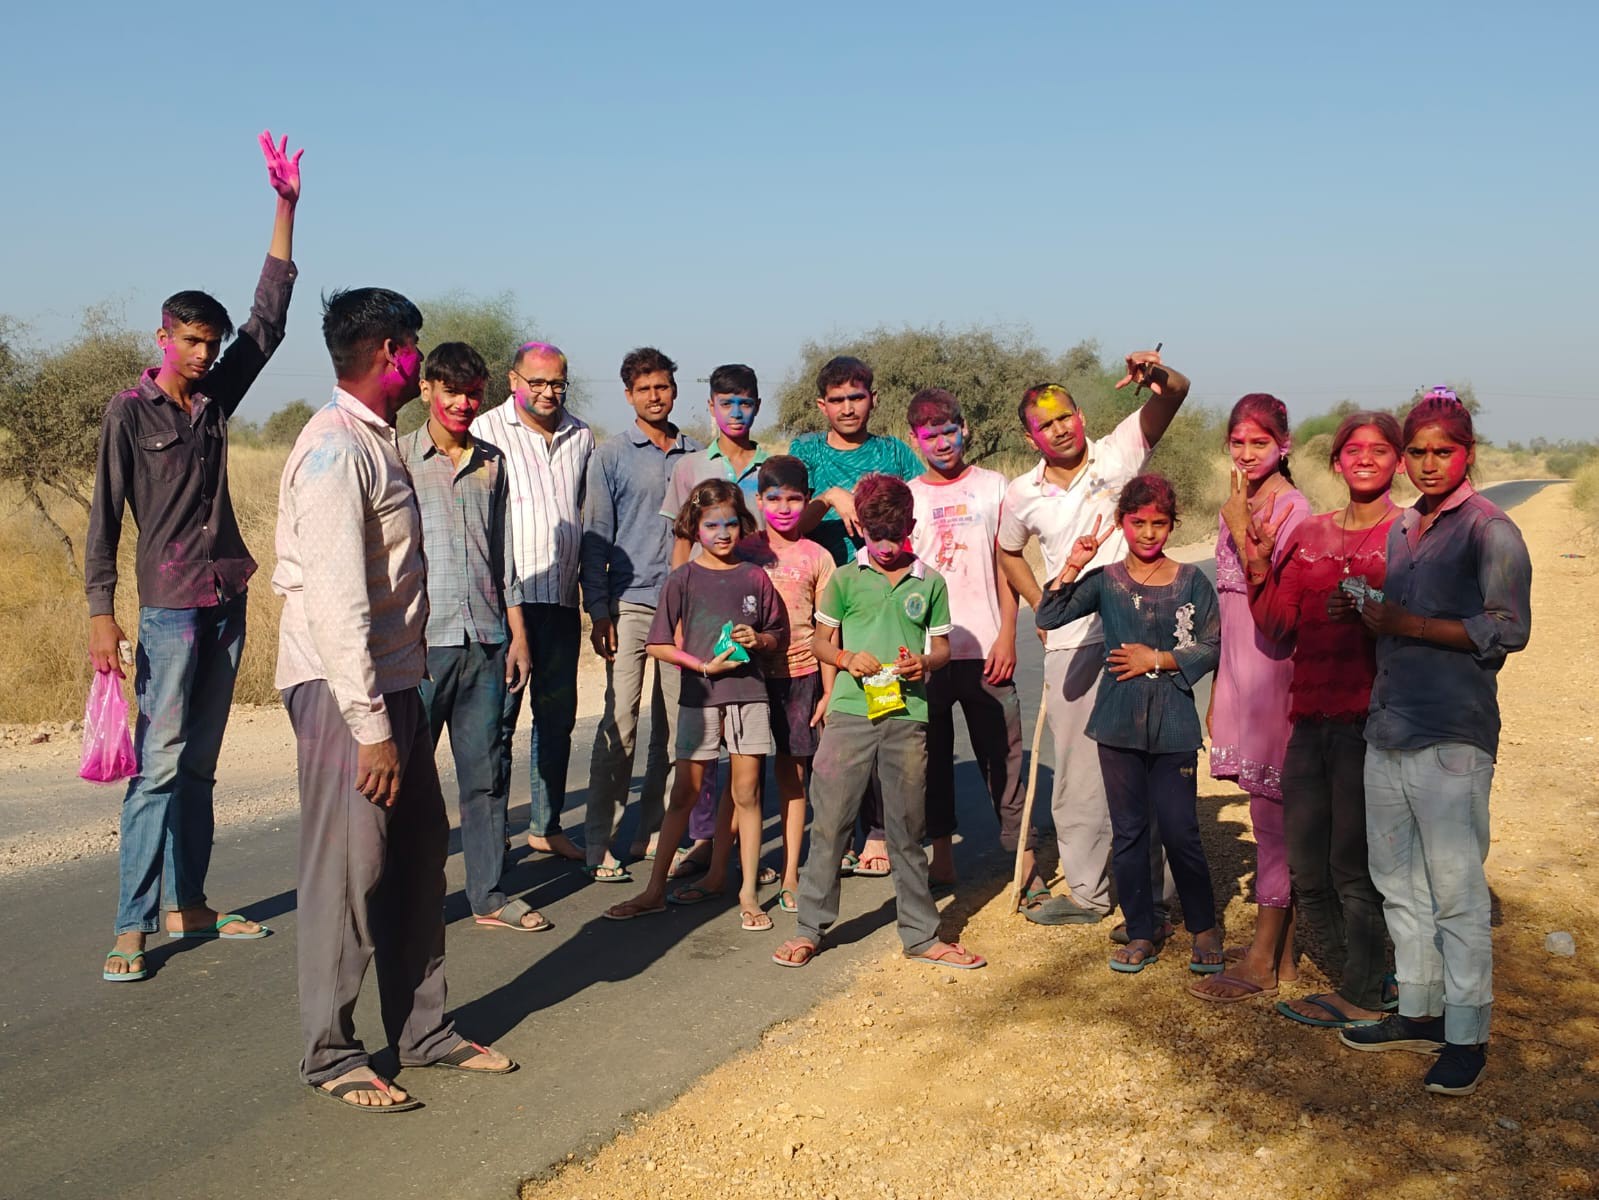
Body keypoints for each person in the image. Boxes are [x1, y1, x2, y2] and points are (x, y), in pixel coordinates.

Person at [275, 287, 514, 1112]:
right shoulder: (335, 450)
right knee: (349, 872)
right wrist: (370, 727)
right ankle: (331, 1053)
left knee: (415, 863)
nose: (420, 361)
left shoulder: (376, 444)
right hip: (352, 696)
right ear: (387, 352)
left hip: (398, 683)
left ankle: (423, 1031)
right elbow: (337, 601)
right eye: (412, 347)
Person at [91, 131, 301, 983]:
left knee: (202, 765)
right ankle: (133, 923)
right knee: (160, 765)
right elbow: (104, 519)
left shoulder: (216, 400)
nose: (204, 353)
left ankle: (194, 903)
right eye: (190, 340)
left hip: (226, 596)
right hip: (168, 606)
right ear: (162, 337)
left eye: (210, 342)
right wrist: (102, 617)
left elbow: (271, 320)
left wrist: (284, 208)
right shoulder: (127, 414)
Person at [1339, 389, 1531, 1097]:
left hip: (1450, 735)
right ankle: (1418, 1009)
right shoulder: (1402, 530)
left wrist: (1406, 623)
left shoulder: (1490, 531)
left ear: (1467, 453)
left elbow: (1507, 629)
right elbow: (1397, 619)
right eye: (1415, 451)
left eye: (1440, 451)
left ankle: (1465, 1032)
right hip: (1388, 726)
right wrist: (1366, 614)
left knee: (1454, 891)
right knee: (1397, 883)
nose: (1425, 463)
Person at [997, 349, 1189, 930]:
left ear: (1080, 415)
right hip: (1073, 642)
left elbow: (1176, 393)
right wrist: (1041, 605)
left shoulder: (1120, 450)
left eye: (1064, 417)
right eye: (1044, 424)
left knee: (1146, 759)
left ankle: (1155, 895)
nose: (1058, 430)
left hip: (1142, 630)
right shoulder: (1021, 493)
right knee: (1080, 772)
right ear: (1031, 436)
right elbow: (1008, 551)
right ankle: (1087, 891)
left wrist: (1157, 374)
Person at [773, 474, 985, 971]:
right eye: (875, 536)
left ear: (911, 526)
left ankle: (921, 935)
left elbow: (942, 649)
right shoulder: (845, 579)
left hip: (907, 717)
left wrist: (925, 665)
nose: (887, 547)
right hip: (849, 713)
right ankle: (810, 928)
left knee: (906, 829)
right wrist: (846, 659)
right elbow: (820, 643)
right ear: (859, 528)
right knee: (829, 824)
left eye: (896, 536)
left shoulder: (929, 582)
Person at [1245, 412, 1403, 1027]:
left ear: (1396, 461)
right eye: (1353, 450)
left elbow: (1422, 623)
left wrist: (1374, 609)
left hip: (1373, 721)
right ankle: (1365, 973)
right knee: (1308, 867)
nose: (1364, 459)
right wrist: (1259, 563)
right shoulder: (1308, 532)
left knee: (1353, 866)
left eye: (1379, 450)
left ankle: (1365, 992)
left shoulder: (1408, 534)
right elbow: (1278, 627)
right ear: (1335, 461)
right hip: (1308, 718)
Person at [1034, 475, 1224, 974]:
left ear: (1172, 525)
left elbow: (1211, 644)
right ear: (1122, 523)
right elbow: (1050, 615)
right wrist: (1073, 563)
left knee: (1181, 831)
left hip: (1175, 726)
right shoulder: (1106, 580)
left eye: (1159, 523)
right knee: (1130, 832)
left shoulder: (1190, 581)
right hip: (1117, 725)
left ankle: (1205, 926)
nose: (1148, 533)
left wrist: (1157, 658)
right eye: (1137, 523)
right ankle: (1142, 929)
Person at [400, 342, 544, 932]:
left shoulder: (493, 462)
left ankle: (488, 894)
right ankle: (405, 898)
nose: (462, 402)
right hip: (420, 644)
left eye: (472, 391)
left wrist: (518, 635)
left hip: (487, 639)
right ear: (427, 389)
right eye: (451, 390)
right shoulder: (397, 457)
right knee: (409, 781)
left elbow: (504, 555)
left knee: (486, 775)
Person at [603, 480, 788, 929]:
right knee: (684, 792)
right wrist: (703, 667)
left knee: (747, 792)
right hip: (699, 698)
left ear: (742, 524)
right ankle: (653, 890)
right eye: (711, 525)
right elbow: (659, 645)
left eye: (729, 523)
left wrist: (758, 639)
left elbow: (778, 635)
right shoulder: (681, 578)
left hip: (749, 696)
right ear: (695, 526)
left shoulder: (755, 577)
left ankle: (747, 894)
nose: (722, 533)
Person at [1191, 394, 1311, 1003]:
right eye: (1237, 442)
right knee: (1262, 806)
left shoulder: (1293, 510)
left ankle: (1262, 958)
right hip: (1239, 672)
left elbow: (1279, 609)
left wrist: (1242, 526)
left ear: (1283, 445)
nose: (1245, 453)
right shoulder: (1234, 506)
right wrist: (1218, 689)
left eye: (1258, 443)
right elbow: (1227, 609)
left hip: (1275, 671)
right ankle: (1283, 955)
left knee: (1272, 815)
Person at [790, 356, 922, 876]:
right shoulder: (804, 452)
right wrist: (827, 496)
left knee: (884, 710)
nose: (848, 407)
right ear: (822, 404)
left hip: (882, 603)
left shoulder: (893, 453)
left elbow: (919, 517)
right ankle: (837, 831)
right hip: (825, 603)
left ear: (873, 399)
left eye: (857, 396)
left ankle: (879, 831)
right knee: (834, 719)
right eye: (838, 399)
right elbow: (789, 524)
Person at [904, 388, 1039, 896]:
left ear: (966, 430)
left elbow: (1009, 563)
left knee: (1003, 757)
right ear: (915, 440)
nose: (942, 442)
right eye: (929, 434)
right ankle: (941, 858)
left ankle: (1023, 859)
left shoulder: (994, 487)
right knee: (930, 758)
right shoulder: (910, 496)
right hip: (928, 655)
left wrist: (1008, 634)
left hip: (988, 649)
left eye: (948, 430)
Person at [581, 348, 701, 881]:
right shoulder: (610, 456)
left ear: (675, 391)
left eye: (664, 387)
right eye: (645, 388)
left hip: (682, 607)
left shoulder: (697, 455)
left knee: (677, 731)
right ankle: (598, 841)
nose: (656, 396)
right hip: (629, 605)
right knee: (621, 722)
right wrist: (598, 608)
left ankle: (658, 833)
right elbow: (595, 537)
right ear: (629, 395)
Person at [473, 340, 593, 863]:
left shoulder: (581, 434)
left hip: (562, 600)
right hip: (505, 602)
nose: (548, 392)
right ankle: (491, 828)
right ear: (513, 380)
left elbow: (589, 520)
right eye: (537, 382)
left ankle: (546, 824)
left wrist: (595, 600)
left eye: (557, 383)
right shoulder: (484, 432)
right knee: (497, 718)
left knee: (556, 717)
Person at [660, 363, 773, 875]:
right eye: (725, 402)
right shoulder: (687, 466)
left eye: (745, 402)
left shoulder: (774, 462)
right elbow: (681, 544)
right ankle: (704, 841)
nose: (735, 412)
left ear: (756, 406)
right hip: (699, 623)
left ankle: (740, 856)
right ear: (710, 407)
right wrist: (681, 615)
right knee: (698, 745)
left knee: (750, 745)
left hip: (754, 606)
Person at [740, 456, 835, 912]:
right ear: (758, 501)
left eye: (794, 499)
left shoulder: (819, 557)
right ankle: (731, 870)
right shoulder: (742, 549)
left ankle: (792, 871)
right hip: (751, 676)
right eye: (773, 499)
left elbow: (828, 630)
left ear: (807, 501)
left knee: (794, 776)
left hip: (802, 675)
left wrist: (829, 690)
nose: (783, 508)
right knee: (744, 777)